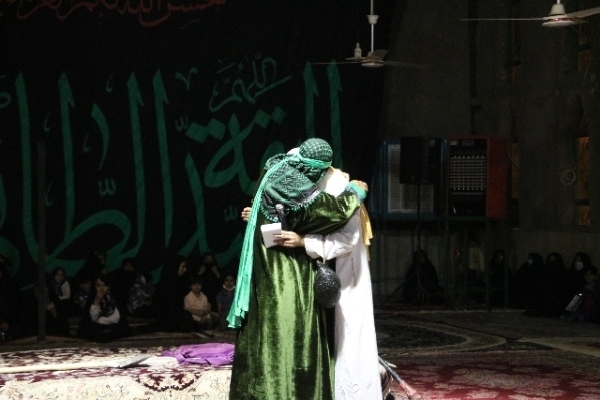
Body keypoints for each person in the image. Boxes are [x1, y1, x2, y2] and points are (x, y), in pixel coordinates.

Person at [227, 138, 367, 400]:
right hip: (283, 272)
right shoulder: (291, 181)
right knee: (288, 331)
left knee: (264, 331)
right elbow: (332, 213)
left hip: (265, 264)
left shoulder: (276, 165)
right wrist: (355, 191)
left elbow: (273, 214)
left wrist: (258, 217)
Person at [272, 166, 382, 399]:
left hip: (347, 278)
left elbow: (347, 240)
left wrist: (304, 241)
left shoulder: (343, 196)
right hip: (325, 274)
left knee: (348, 343)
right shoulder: (319, 195)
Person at [78, 273, 131, 342]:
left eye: (104, 285)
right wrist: (97, 300)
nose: (102, 288)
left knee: (120, 328)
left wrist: (101, 320)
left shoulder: (113, 297)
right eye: (98, 285)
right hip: (97, 327)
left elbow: (116, 317)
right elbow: (92, 318)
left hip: (112, 324)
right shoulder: (91, 298)